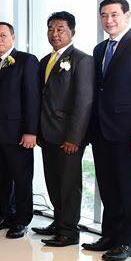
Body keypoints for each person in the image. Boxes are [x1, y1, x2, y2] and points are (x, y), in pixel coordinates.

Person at [83, 0, 131, 261]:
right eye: (104, 15)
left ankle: (127, 243)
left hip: (128, 133)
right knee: (108, 187)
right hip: (102, 131)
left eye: (114, 14)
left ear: (127, 16)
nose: (109, 20)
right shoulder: (99, 49)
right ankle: (109, 236)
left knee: (128, 188)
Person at [33, 12, 93, 247]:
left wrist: (74, 138)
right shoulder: (45, 61)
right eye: (51, 29)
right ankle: (59, 222)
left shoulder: (82, 60)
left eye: (60, 29)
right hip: (47, 133)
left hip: (68, 136)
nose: (54, 33)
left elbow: (84, 101)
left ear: (72, 32)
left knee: (68, 185)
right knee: (53, 181)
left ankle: (69, 231)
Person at [0, 22, 40, 239]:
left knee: (21, 179)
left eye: (3, 35)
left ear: (13, 37)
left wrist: (31, 131)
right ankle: (5, 215)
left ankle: (22, 220)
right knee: (2, 179)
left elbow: (32, 98)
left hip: (18, 133)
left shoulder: (27, 60)